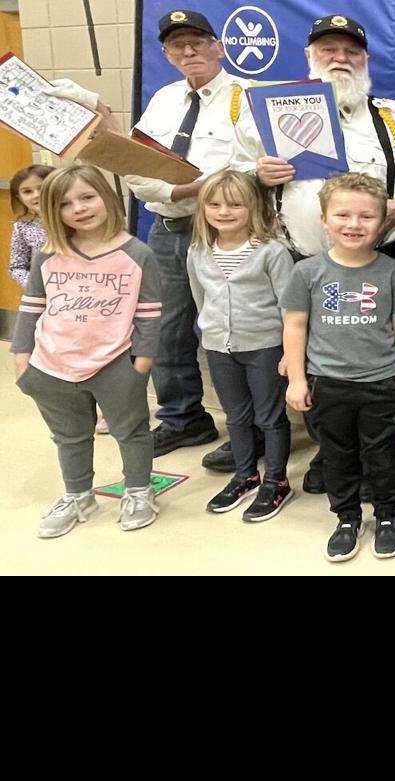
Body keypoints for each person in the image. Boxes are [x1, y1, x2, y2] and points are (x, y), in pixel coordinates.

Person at [231, 12, 395, 495]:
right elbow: (233, 181)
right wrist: (258, 174)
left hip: (382, 266)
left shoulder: (394, 118)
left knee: (378, 365)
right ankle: (331, 449)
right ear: (309, 58)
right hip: (304, 268)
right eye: (328, 51)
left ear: (365, 61)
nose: (340, 59)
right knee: (317, 368)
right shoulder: (265, 114)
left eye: (351, 52)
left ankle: (377, 451)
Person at [127, 9, 253, 467]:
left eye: (197, 42)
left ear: (218, 46)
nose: (188, 51)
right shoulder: (162, 99)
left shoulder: (248, 97)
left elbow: (264, 167)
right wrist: (179, 190)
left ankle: (251, 425)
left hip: (225, 234)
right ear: (165, 53)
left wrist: (209, 191)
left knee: (236, 330)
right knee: (166, 328)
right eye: (177, 45)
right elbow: (133, 164)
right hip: (168, 228)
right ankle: (184, 418)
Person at [12, 164, 163, 537]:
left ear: (106, 198)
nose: (78, 208)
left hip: (115, 364)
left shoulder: (138, 253)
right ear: (52, 211)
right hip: (51, 363)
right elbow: (32, 306)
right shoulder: (48, 254)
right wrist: (22, 359)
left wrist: (140, 364)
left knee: (131, 432)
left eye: (87, 197)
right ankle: (78, 495)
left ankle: (139, 492)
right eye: (65, 203)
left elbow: (149, 314)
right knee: (70, 436)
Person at [281, 174, 395, 562]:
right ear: (324, 219)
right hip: (327, 383)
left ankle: (388, 515)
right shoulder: (306, 273)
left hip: (381, 381)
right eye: (342, 215)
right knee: (337, 455)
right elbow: (294, 326)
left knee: (382, 454)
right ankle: (346, 518)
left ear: (382, 222)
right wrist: (296, 379)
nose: (354, 225)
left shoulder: (393, 272)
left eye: (366, 216)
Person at [186, 170, 297, 521]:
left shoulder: (272, 252)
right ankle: (245, 474)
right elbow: (200, 298)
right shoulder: (198, 252)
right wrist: (211, 335)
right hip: (220, 348)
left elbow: (288, 305)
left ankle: (276, 481)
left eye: (235, 204)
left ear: (254, 207)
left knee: (269, 416)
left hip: (265, 347)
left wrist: (289, 355)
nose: (224, 211)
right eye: (214, 204)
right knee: (236, 416)